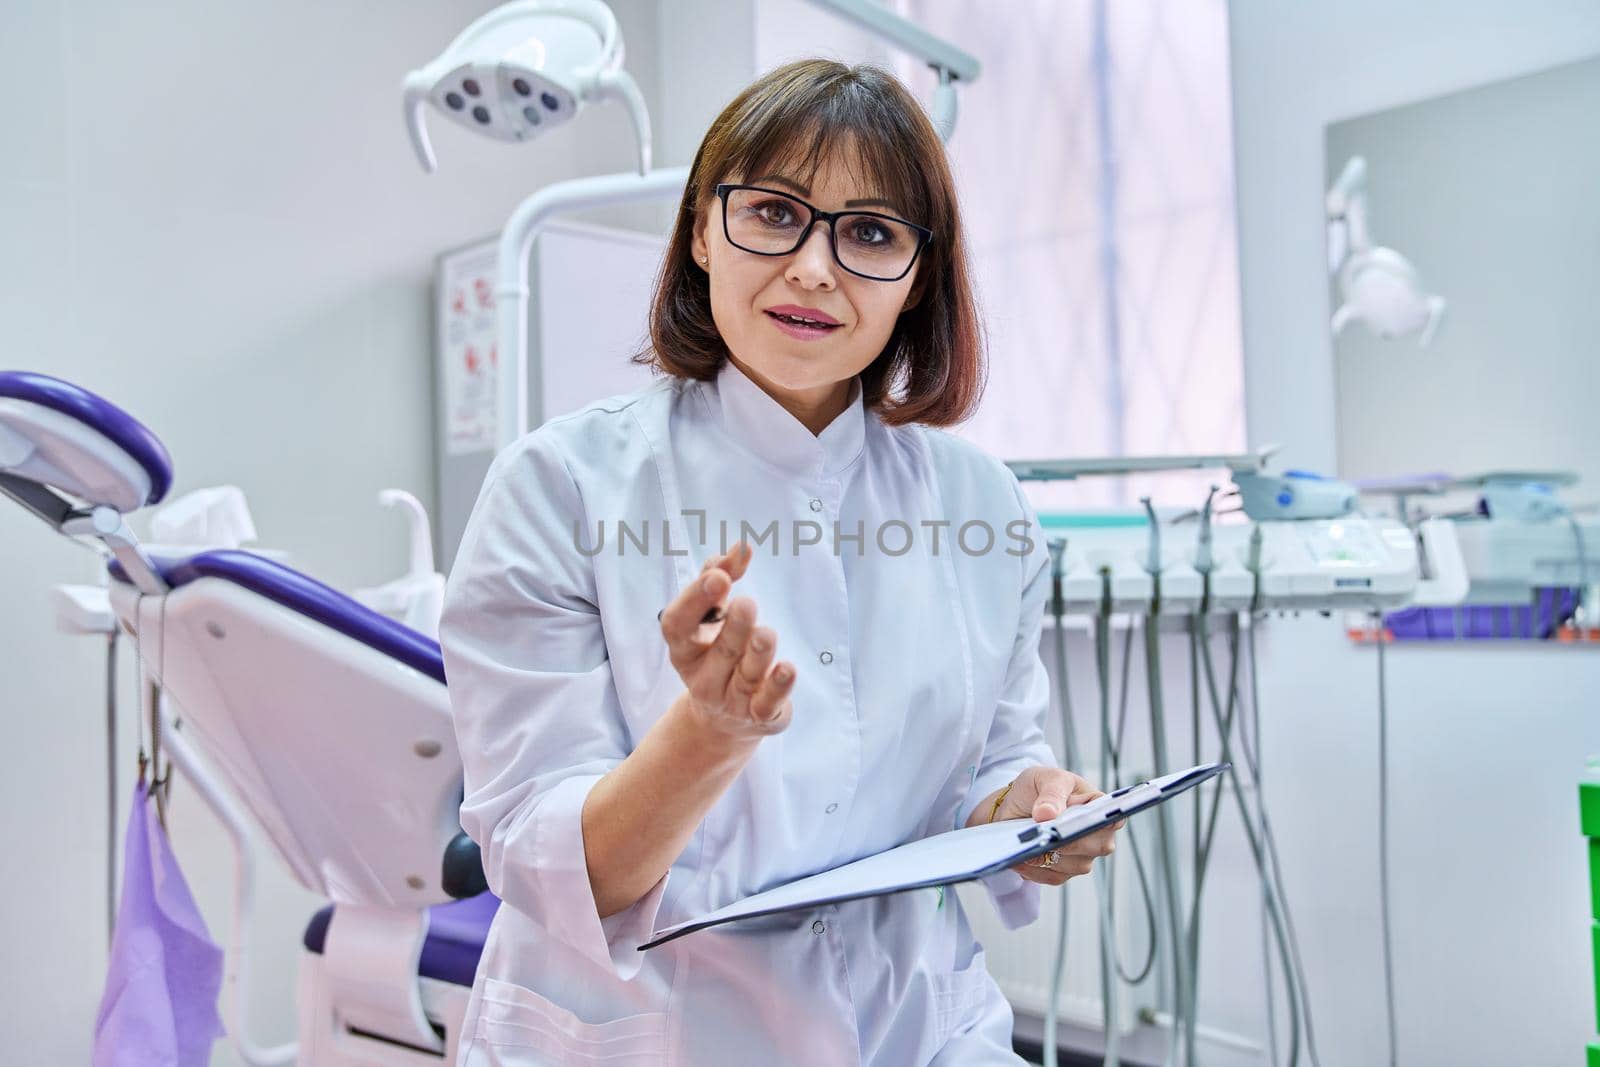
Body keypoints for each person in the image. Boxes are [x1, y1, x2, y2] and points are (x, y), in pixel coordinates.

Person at [440, 58, 1122, 1067]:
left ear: (917, 277)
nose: (813, 268)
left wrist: (1029, 809)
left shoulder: (983, 506)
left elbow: (990, 765)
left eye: (871, 233)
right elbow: (555, 870)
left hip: (918, 1024)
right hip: (648, 1029)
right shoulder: (562, 486)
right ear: (704, 232)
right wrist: (707, 736)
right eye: (773, 213)